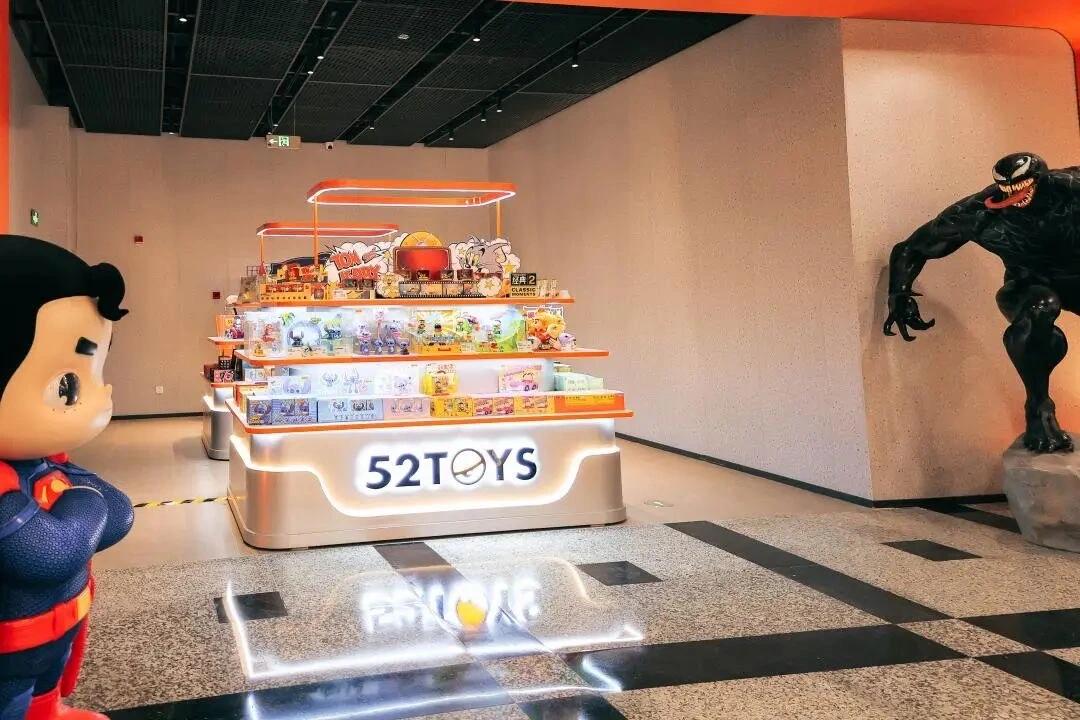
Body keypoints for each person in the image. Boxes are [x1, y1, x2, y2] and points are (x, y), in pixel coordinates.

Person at [0, 236, 134, 720]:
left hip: (53, 625)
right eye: (69, 385)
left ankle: (49, 710)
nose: (99, 397)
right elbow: (46, 552)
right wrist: (83, 503)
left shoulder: (45, 459)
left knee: (44, 685)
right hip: (11, 641)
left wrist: (82, 506)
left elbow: (119, 513)